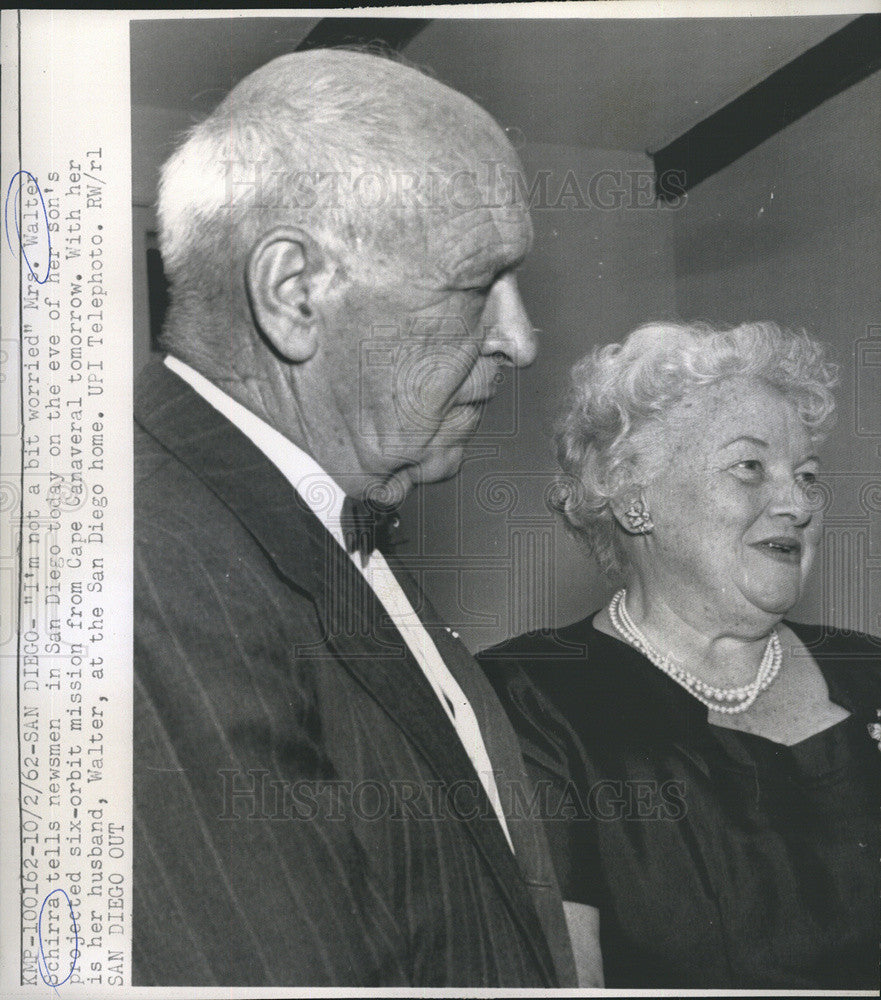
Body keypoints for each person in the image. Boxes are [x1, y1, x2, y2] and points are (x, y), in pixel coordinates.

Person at [132, 48, 582, 987]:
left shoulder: (323, 518)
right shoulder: (151, 567)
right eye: (476, 285)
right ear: (294, 294)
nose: (521, 339)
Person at [479, 321, 881, 989]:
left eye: (806, 475)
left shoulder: (870, 674)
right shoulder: (528, 701)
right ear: (635, 500)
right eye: (749, 467)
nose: (796, 503)